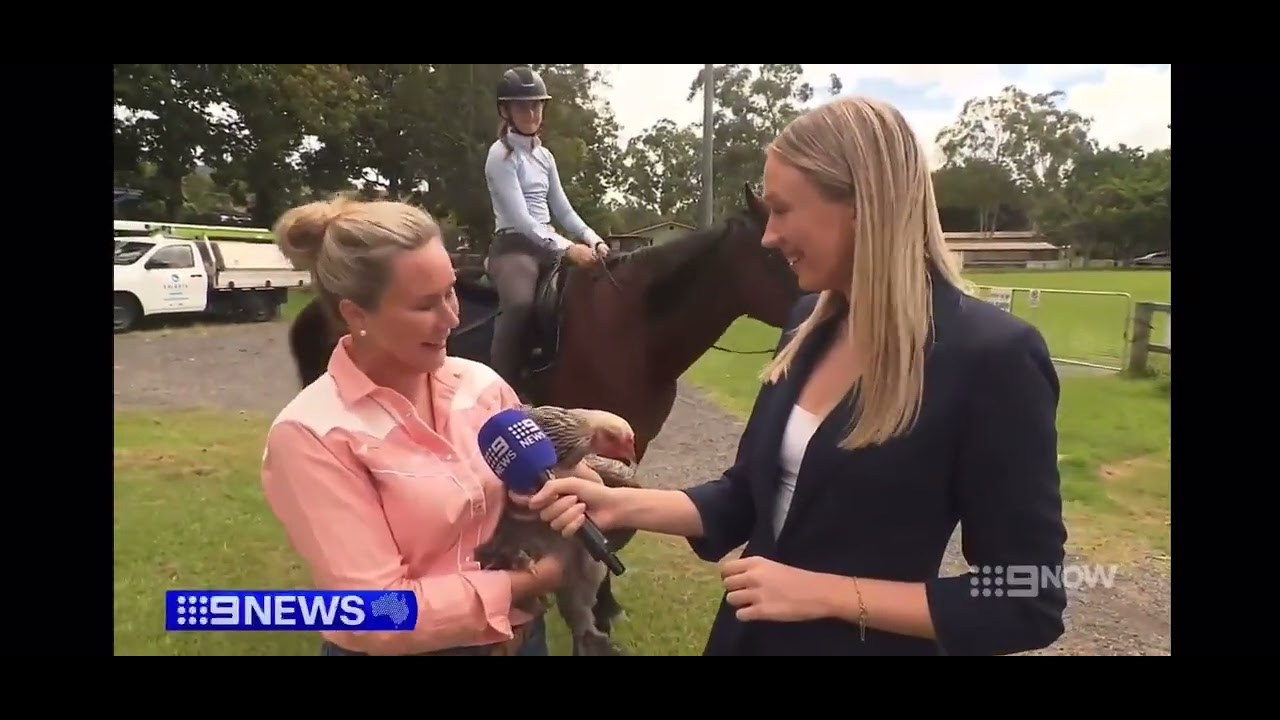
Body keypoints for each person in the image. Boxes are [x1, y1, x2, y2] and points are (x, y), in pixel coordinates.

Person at [519, 96, 1070, 656]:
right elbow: (747, 495)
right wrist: (622, 503)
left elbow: (1027, 597)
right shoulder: (809, 323)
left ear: (860, 205)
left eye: (783, 210)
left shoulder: (995, 358)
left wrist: (824, 594)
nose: (768, 235)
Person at [260, 196, 566, 656]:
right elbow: (377, 614)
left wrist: (563, 490)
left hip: (521, 641)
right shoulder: (310, 436)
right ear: (355, 314)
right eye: (425, 306)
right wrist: (530, 581)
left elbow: (526, 494)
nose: (452, 318)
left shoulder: (483, 385)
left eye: (450, 291)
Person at [483, 65, 609, 390]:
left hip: (548, 244)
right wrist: (569, 248)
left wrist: (592, 239)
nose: (532, 111)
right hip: (514, 247)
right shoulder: (500, 156)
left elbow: (563, 210)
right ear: (505, 110)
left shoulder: (545, 157)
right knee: (520, 305)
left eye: (537, 104)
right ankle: (503, 389)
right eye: (523, 105)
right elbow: (523, 220)